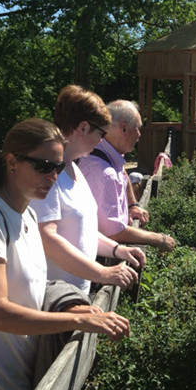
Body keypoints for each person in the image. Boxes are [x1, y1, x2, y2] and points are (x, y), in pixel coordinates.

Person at [0, 119, 133, 390]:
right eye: (44, 166)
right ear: (12, 162)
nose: (53, 176)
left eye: (58, 168)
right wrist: (78, 321)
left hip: (18, 372)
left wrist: (74, 307)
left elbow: (33, 284)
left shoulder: (27, 214)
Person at [37, 86, 142, 293]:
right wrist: (101, 273)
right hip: (53, 300)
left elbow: (83, 230)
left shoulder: (74, 169)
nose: (102, 140)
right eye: (101, 133)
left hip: (75, 296)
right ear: (83, 128)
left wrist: (117, 250)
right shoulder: (46, 173)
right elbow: (47, 238)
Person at [86, 100, 178, 250]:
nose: (139, 135)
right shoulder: (103, 172)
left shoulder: (104, 151)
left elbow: (122, 171)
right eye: (137, 129)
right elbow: (113, 232)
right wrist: (158, 239)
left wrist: (132, 205)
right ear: (123, 129)